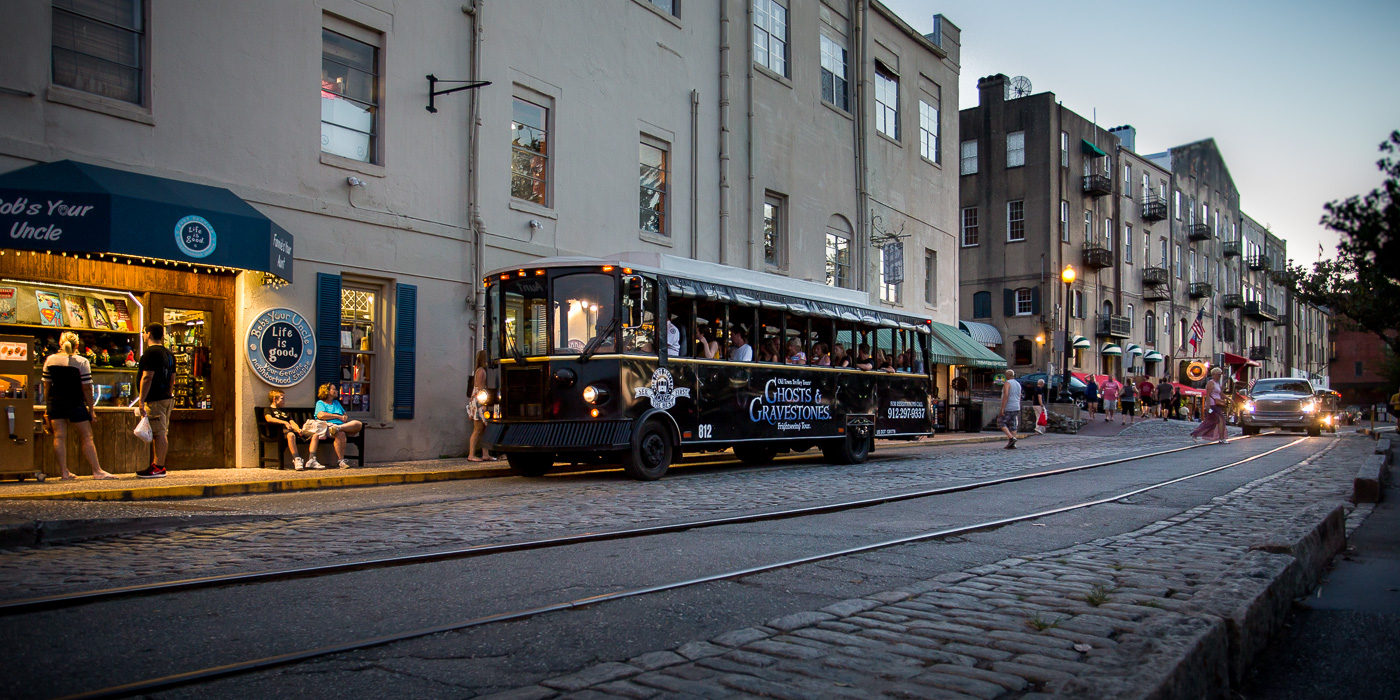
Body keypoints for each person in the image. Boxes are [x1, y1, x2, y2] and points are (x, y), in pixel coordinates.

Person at [41, 331, 115, 480]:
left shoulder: (50, 360)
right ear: (77, 345)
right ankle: (97, 471)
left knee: (59, 436)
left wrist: (47, 406)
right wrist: (91, 410)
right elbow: (87, 388)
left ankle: (64, 472)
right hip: (75, 403)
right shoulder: (81, 362)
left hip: (56, 402)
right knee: (87, 436)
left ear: (60, 344)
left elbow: (46, 386)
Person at [136, 323, 176, 478]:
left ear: (149, 333)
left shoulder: (150, 353)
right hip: (166, 397)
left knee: (159, 433)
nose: (143, 335)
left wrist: (141, 399)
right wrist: (169, 393)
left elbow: (147, 377)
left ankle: (158, 466)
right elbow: (172, 378)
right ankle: (156, 464)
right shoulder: (169, 354)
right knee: (161, 430)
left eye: (144, 333)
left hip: (156, 398)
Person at [307, 384, 364, 469]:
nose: (337, 391)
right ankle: (341, 461)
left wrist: (344, 417)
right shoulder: (321, 403)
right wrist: (337, 416)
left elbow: (344, 414)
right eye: (334, 389)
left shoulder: (336, 403)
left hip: (341, 426)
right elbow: (321, 415)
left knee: (358, 424)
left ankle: (339, 428)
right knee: (340, 434)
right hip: (328, 426)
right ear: (327, 391)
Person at [265, 390, 307, 470]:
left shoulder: (284, 412)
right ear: (274, 399)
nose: (284, 401)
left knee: (294, 434)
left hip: (288, 432)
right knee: (291, 435)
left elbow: (292, 422)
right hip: (277, 432)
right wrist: (284, 422)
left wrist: (298, 429)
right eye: (282, 399)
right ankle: (297, 458)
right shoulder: (268, 409)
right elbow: (269, 419)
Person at [466, 350, 495, 463]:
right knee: (478, 430)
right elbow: (482, 390)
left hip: (475, 401)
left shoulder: (478, 371)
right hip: (479, 403)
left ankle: (485, 454)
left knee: (483, 430)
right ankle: (471, 455)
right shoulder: (482, 372)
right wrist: (484, 406)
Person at [1191, 367, 1229, 444]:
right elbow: (1208, 394)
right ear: (1214, 375)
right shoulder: (1210, 383)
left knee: (1211, 422)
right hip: (1212, 404)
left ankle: (1195, 434)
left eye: (1220, 375)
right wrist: (1208, 406)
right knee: (1221, 420)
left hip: (1217, 404)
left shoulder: (1217, 384)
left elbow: (1221, 394)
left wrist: (1229, 399)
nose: (1219, 376)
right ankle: (1221, 438)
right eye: (1218, 375)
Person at [998, 369, 1022, 449]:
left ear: (1007, 376)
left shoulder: (1007, 383)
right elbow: (1020, 395)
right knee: (1013, 424)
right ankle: (1013, 444)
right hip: (1016, 406)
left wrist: (1002, 408)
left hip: (1009, 406)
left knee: (1001, 422)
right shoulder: (1018, 384)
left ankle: (1011, 438)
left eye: (1005, 375)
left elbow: (1006, 395)